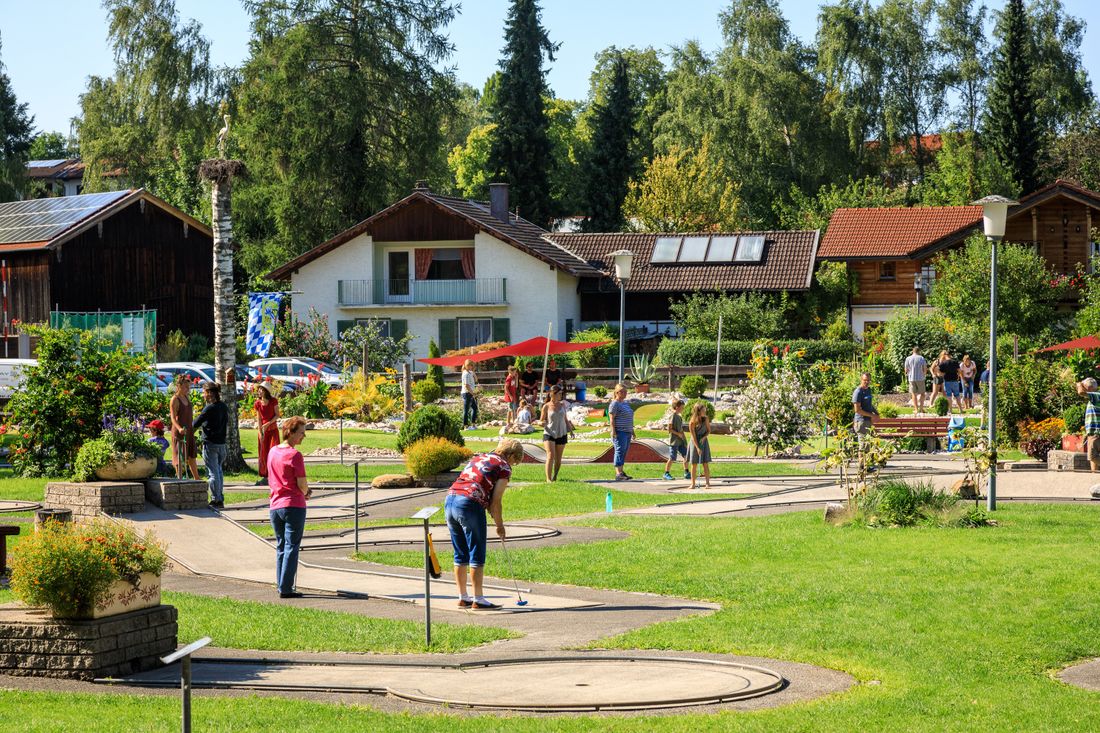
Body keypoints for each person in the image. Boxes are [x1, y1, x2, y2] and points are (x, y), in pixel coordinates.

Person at [445, 438, 524, 610]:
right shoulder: (503, 467)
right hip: (469, 504)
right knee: (476, 551)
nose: (513, 464)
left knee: (460, 553)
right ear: (510, 455)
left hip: (450, 501)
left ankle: (463, 597)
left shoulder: (479, 457)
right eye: (514, 461)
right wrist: (500, 526)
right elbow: (495, 502)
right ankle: (478, 599)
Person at [268, 416, 312, 599]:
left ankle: (281, 584)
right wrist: (308, 492)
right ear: (291, 433)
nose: (303, 437)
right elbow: (301, 484)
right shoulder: (295, 455)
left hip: (275, 506)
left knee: (281, 546)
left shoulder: (272, 451)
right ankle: (286, 588)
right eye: (301, 433)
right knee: (292, 546)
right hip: (293, 504)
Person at [192, 382, 229, 508]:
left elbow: (196, 423)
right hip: (222, 444)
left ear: (209, 393)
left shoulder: (209, 408)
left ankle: (216, 499)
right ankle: (220, 497)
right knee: (218, 471)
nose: (203, 395)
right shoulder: (223, 406)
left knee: (213, 473)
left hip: (210, 444)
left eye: (204, 392)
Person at [539, 384, 573, 481]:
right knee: (550, 455)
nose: (561, 395)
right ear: (552, 394)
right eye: (559, 393)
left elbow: (565, 419)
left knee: (558, 459)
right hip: (549, 433)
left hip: (562, 433)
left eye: (561, 393)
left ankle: (555, 477)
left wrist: (570, 430)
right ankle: (548, 479)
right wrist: (542, 423)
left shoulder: (562, 405)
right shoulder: (546, 406)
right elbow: (540, 421)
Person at [169, 376, 200, 480]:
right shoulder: (175, 399)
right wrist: (179, 429)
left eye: (189, 387)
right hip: (179, 432)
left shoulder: (186, 397)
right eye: (186, 387)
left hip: (189, 431)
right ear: (179, 386)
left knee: (192, 455)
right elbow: (173, 418)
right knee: (179, 457)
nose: (188, 389)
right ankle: (180, 478)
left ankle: (197, 478)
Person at [254, 381, 281, 487]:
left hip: (273, 430)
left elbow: (277, 415)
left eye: (261, 389)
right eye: (259, 389)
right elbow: (259, 419)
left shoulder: (273, 401)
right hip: (264, 432)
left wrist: (268, 424)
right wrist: (260, 431)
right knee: (263, 453)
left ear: (266, 391)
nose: (259, 391)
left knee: (273, 453)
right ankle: (265, 476)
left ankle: (275, 475)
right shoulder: (257, 403)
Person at [608, 383, 635, 480]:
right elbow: (611, 419)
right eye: (622, 392)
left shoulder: (625, 403)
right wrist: (614, 431)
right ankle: (618, 473)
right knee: (619, 451)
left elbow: (629, 418)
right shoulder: (614, 404)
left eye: (625, 392)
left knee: (624, 452)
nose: (624, 393)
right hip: (620, 431)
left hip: (627, 431)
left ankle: (621, 472)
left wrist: (632, 431)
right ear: (616, 392)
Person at [687, 401, 713, 490]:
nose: (704, 411)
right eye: (703, 410)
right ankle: (693, 484)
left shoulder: (706, 419)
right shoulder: (692, 422)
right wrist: (697, 447)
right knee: (694, 464)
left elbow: (709, 430)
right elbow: (693, 436)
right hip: (694, 442)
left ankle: (707, 483)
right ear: (698, 411)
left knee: (705, 463)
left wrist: (704, 437)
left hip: (703, 441)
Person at [663, 399, 690, 481]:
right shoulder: (673, 416)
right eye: (682, 407)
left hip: (681, 441)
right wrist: (678, 434)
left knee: (686, 456)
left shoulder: (679, 417)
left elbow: (681, 429)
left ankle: (686, 472)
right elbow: (669, 429)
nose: (683, 409)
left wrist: (684, 439)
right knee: (672, 458)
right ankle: (666, 473)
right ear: (677, 407)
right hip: (674, 441)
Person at [1078, 378, 1100, 472]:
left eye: (1084, 386)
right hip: (1093, 432)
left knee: (1092, 456)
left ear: (1089, 387)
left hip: (1096, 432)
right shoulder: (1095, 398)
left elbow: (1081, 392)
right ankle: (1094, 476)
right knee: (1094, 455)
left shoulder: (1096, 395)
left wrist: (1079, 384)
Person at [852, 372, 878, 436]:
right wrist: (872, 415)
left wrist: (876, 413)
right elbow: (857, 410)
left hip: (868, 421)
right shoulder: (858, 392)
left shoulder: (868, 390)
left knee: (870, 444)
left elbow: (869, 404)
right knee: (864, 445)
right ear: (861, 380)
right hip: (861, 422)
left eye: (868, 380)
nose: (867, 382)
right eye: (865, 380)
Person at [904, 347, 928, 413]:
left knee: (913, 394)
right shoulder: (921, 358)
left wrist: (908, 374)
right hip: (920, 378)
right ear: (919, 351)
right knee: (922, 394)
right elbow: (925, 368)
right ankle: (921, 408)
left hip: (911, 378)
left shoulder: (908, 358)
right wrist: (924, 374)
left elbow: (906, 370)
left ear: (913, 351)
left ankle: (916, 409)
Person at [460, 359, 479, 429]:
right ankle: (465, 426)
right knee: (466, 410)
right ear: (467, 365)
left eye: (472, 365)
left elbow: (476, 380)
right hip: (467, 393)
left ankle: (473, 424)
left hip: (471, 393)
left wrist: (473, 373)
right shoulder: (466, 374)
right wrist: (473, 393)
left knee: (474, 408)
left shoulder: (470, 372)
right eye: (471, 365)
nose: (472, 367)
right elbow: (466, 386)